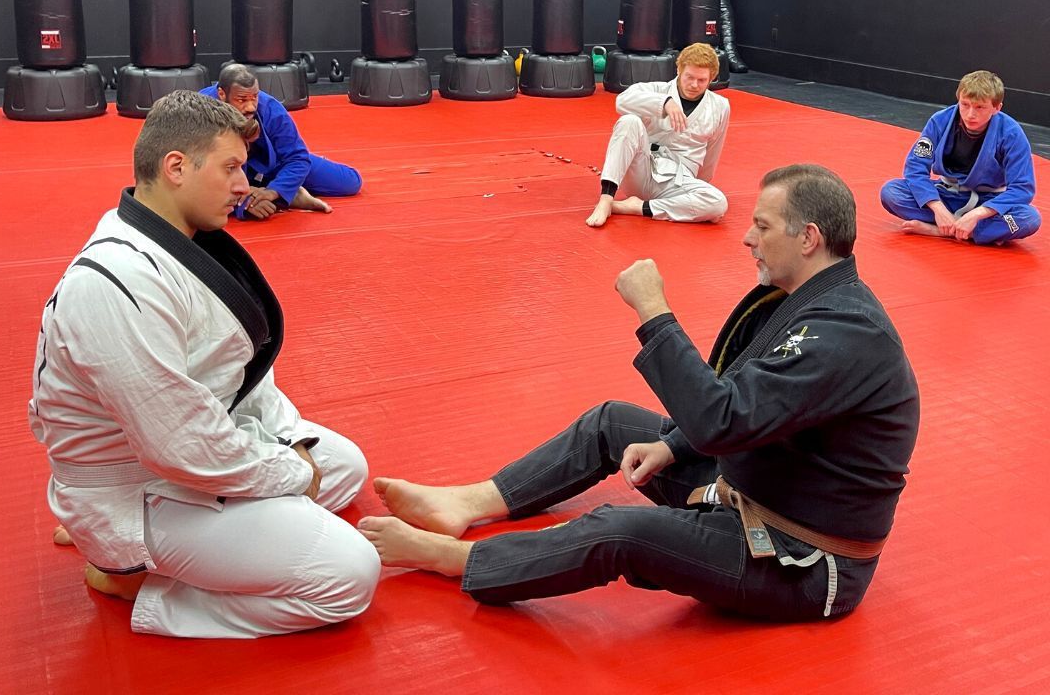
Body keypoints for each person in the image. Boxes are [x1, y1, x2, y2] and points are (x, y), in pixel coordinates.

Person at [360, 165, 920, 622]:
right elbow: (740, 400)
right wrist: (674, 447)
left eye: (763, 225)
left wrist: (653, 311)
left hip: (798, 560)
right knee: (613, 424)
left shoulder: (845, 333)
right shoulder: (807, 302)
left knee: (620, 530)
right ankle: (471, 501)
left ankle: (462, 559)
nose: (748, 236)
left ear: (809, 237)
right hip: (754, 487)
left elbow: (722, 420)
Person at [30, 90, 379, 638]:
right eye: (231, 168)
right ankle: (133, 581)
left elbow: (239, 378)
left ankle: (220, 536)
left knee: (344, 465)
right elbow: (181, 446)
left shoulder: (175, 240)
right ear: (176, 167)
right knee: (350, 574)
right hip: (142, 485)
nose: (244, 185)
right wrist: (290, 472)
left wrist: (290, 453)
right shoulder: (116, 284)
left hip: (183, 451)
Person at [880, 70, 1041, 245]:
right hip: (946, 196)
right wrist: (937, 208)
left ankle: (943, 230)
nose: (970, 114)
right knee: (891, 192)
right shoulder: (939, 121)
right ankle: (960, 226)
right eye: (965, 104)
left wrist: (978, 213)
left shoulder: (1011, 134)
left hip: (989, 202)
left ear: (997, 108)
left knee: (1028, 218)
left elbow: (1022, 188)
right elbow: (915, 169)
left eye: (980, 107)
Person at [586, 42, 729, 227]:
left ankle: (635, 207)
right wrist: (665, 103)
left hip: (678, 181)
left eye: (702, 80)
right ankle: (606, 199)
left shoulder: (720, 106)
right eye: (689, 77)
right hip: (642, 170)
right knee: (629, 122)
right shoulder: (657, 90)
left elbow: (713, 152)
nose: (694, 85)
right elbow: (621, 101)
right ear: (679, 70)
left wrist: (696, 191)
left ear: (712, 78)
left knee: (718, 203)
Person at [200, 64, 361, 220]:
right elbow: (197, 174)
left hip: (274, 165)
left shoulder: (270, 108)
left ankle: (285, 190)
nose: (250, 107)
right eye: (241, 100)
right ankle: (288, 195)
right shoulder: (201, 111)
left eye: (254, 97)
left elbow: (297, 158)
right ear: (221, 94)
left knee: (351, 182)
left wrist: (274, 191)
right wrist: (244, 202)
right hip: (225, 175)